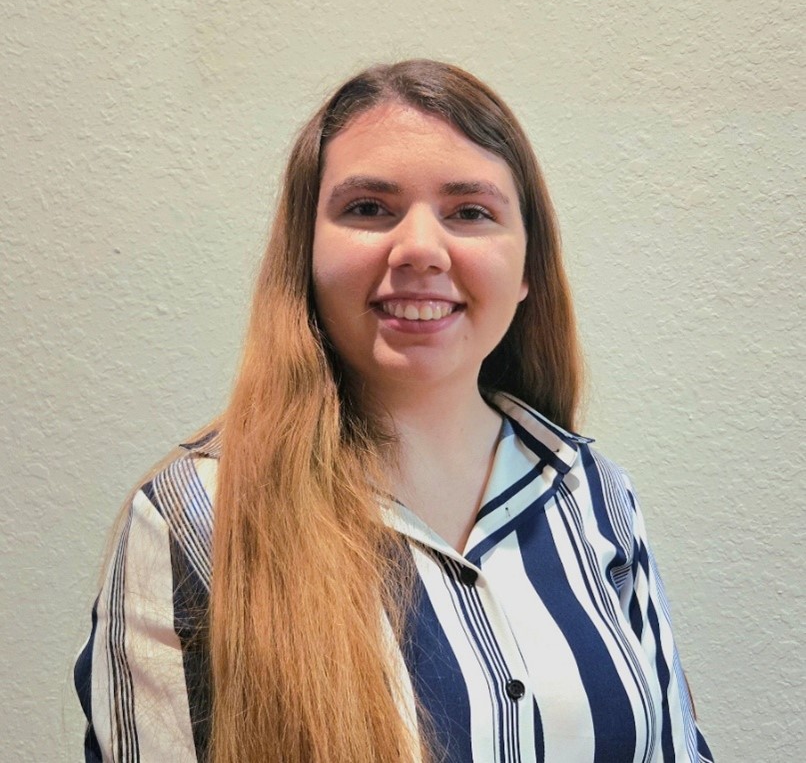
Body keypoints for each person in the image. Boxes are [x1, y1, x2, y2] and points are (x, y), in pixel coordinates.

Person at [74, 59, 714, 763]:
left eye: (470, 211)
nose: (418, 248)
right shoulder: (194, 519)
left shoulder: (595, 493)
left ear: (528, 266)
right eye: (368, 208)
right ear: (304, 254)